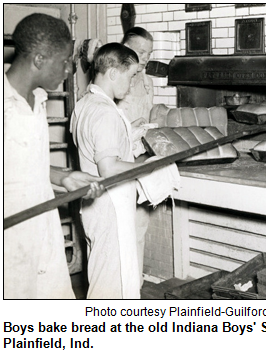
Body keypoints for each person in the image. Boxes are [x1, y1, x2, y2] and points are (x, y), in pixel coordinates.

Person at [4, 13, 104, 299]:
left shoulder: (38, 99)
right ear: (38, 59)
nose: (69, 70)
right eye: (64, 61)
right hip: (11, 233)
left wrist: (64, 177)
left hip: (44, 221)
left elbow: (19, 161)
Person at [70, 43, 143, 299]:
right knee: (115, 287)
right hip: (111, 205)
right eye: (131, 75)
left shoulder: (84, 104)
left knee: (102, 277)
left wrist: (129, 136)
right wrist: (148, 167)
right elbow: (109, 167)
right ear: (113, 73)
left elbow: (96, 147)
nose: (132, 84)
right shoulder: (104, 112)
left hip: (95, 206)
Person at [116, 27, 155, 286]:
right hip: (118, 164)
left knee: (140, 227)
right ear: (125, 48)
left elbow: (149, 118)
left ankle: (135, 289)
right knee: (120, 232)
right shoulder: (116, 81)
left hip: (141, 162)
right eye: (140, 51)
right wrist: (132, 128)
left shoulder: (148, 82)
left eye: (149, 53)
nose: (145, 58)